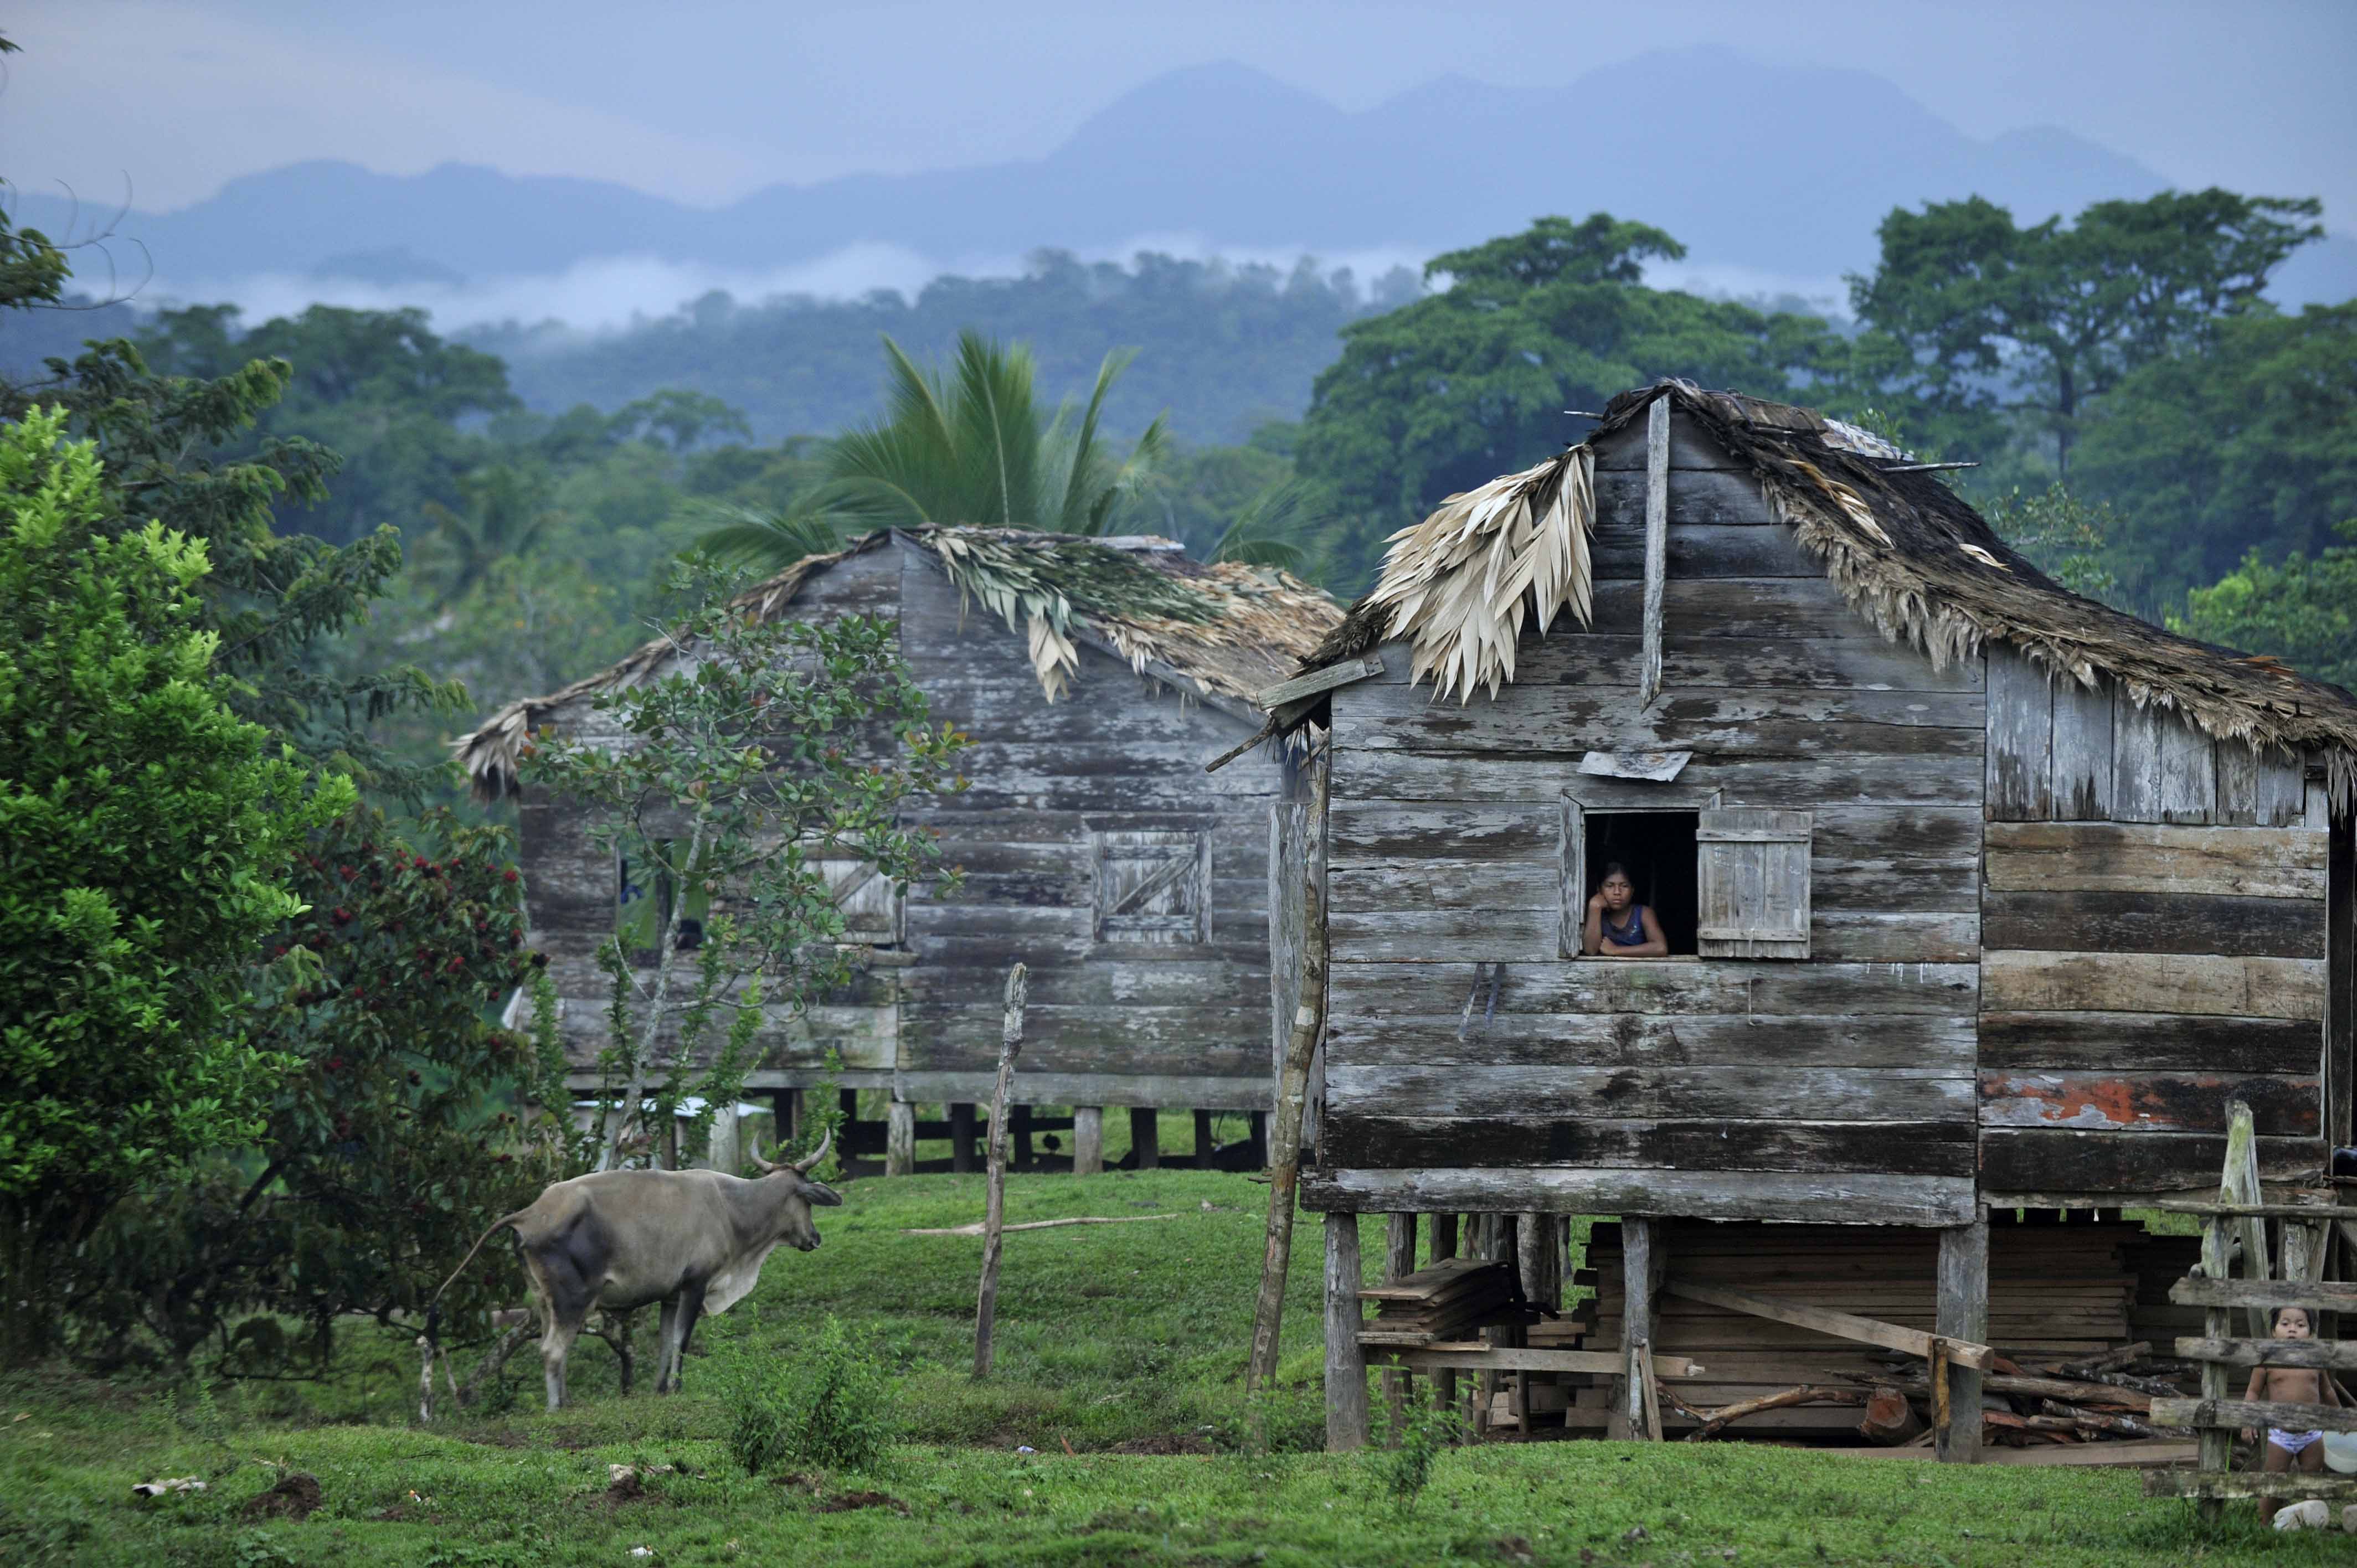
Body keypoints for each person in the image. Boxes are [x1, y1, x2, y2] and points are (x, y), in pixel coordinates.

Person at [2241, 1305, 2347, 1523]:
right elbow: (2253, 1391)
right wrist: (2247, 1421)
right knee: (2274, 1481)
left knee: (2312, 1481)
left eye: (2300, 1325)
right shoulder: (2267, 1360)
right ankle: (2263, 1522)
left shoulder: (2315, 1360)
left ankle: (2311, 1521)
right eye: (2285, 1324)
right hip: (2281, 1435)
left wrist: (2341, 1418)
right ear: (2273, 1331)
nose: (2292, 1330)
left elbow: (2327, 1391)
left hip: (2312, 1435)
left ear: (2310, 1333)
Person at [1583, 862, 1667, 957]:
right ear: (1599, 890)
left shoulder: (1644, 913)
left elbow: (1661, 948)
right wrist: (1594, 908)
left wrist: (1615, 950)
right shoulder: (1597, 913)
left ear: (1632, 890)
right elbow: (1590, 951)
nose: (1617, 892)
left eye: (1624, 886)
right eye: (1610, 886)